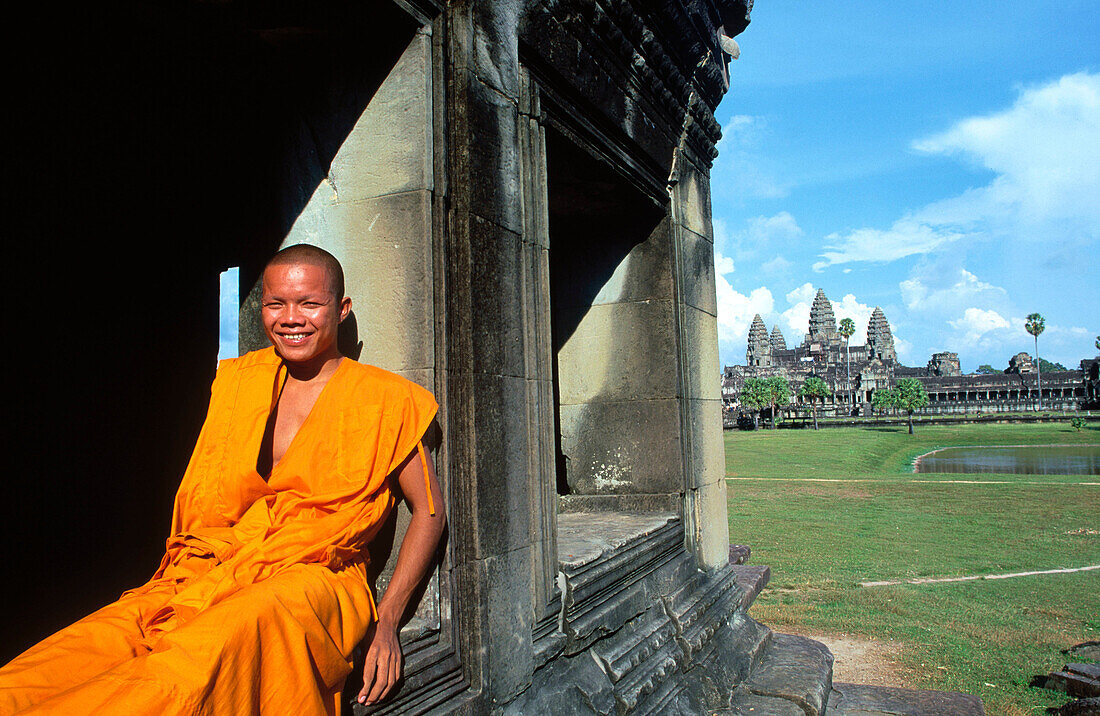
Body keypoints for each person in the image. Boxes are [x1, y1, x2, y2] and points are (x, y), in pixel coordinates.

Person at [0, 244, 446, 714]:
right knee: (78, 649)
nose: (291, 318)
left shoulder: (387, 398)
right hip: (215, 563)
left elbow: (430, 514)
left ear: (342, 308)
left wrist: (388, 621)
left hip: (314, 576)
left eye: (309, 303)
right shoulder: (239, 384)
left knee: (185, 672)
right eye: (277, 303)